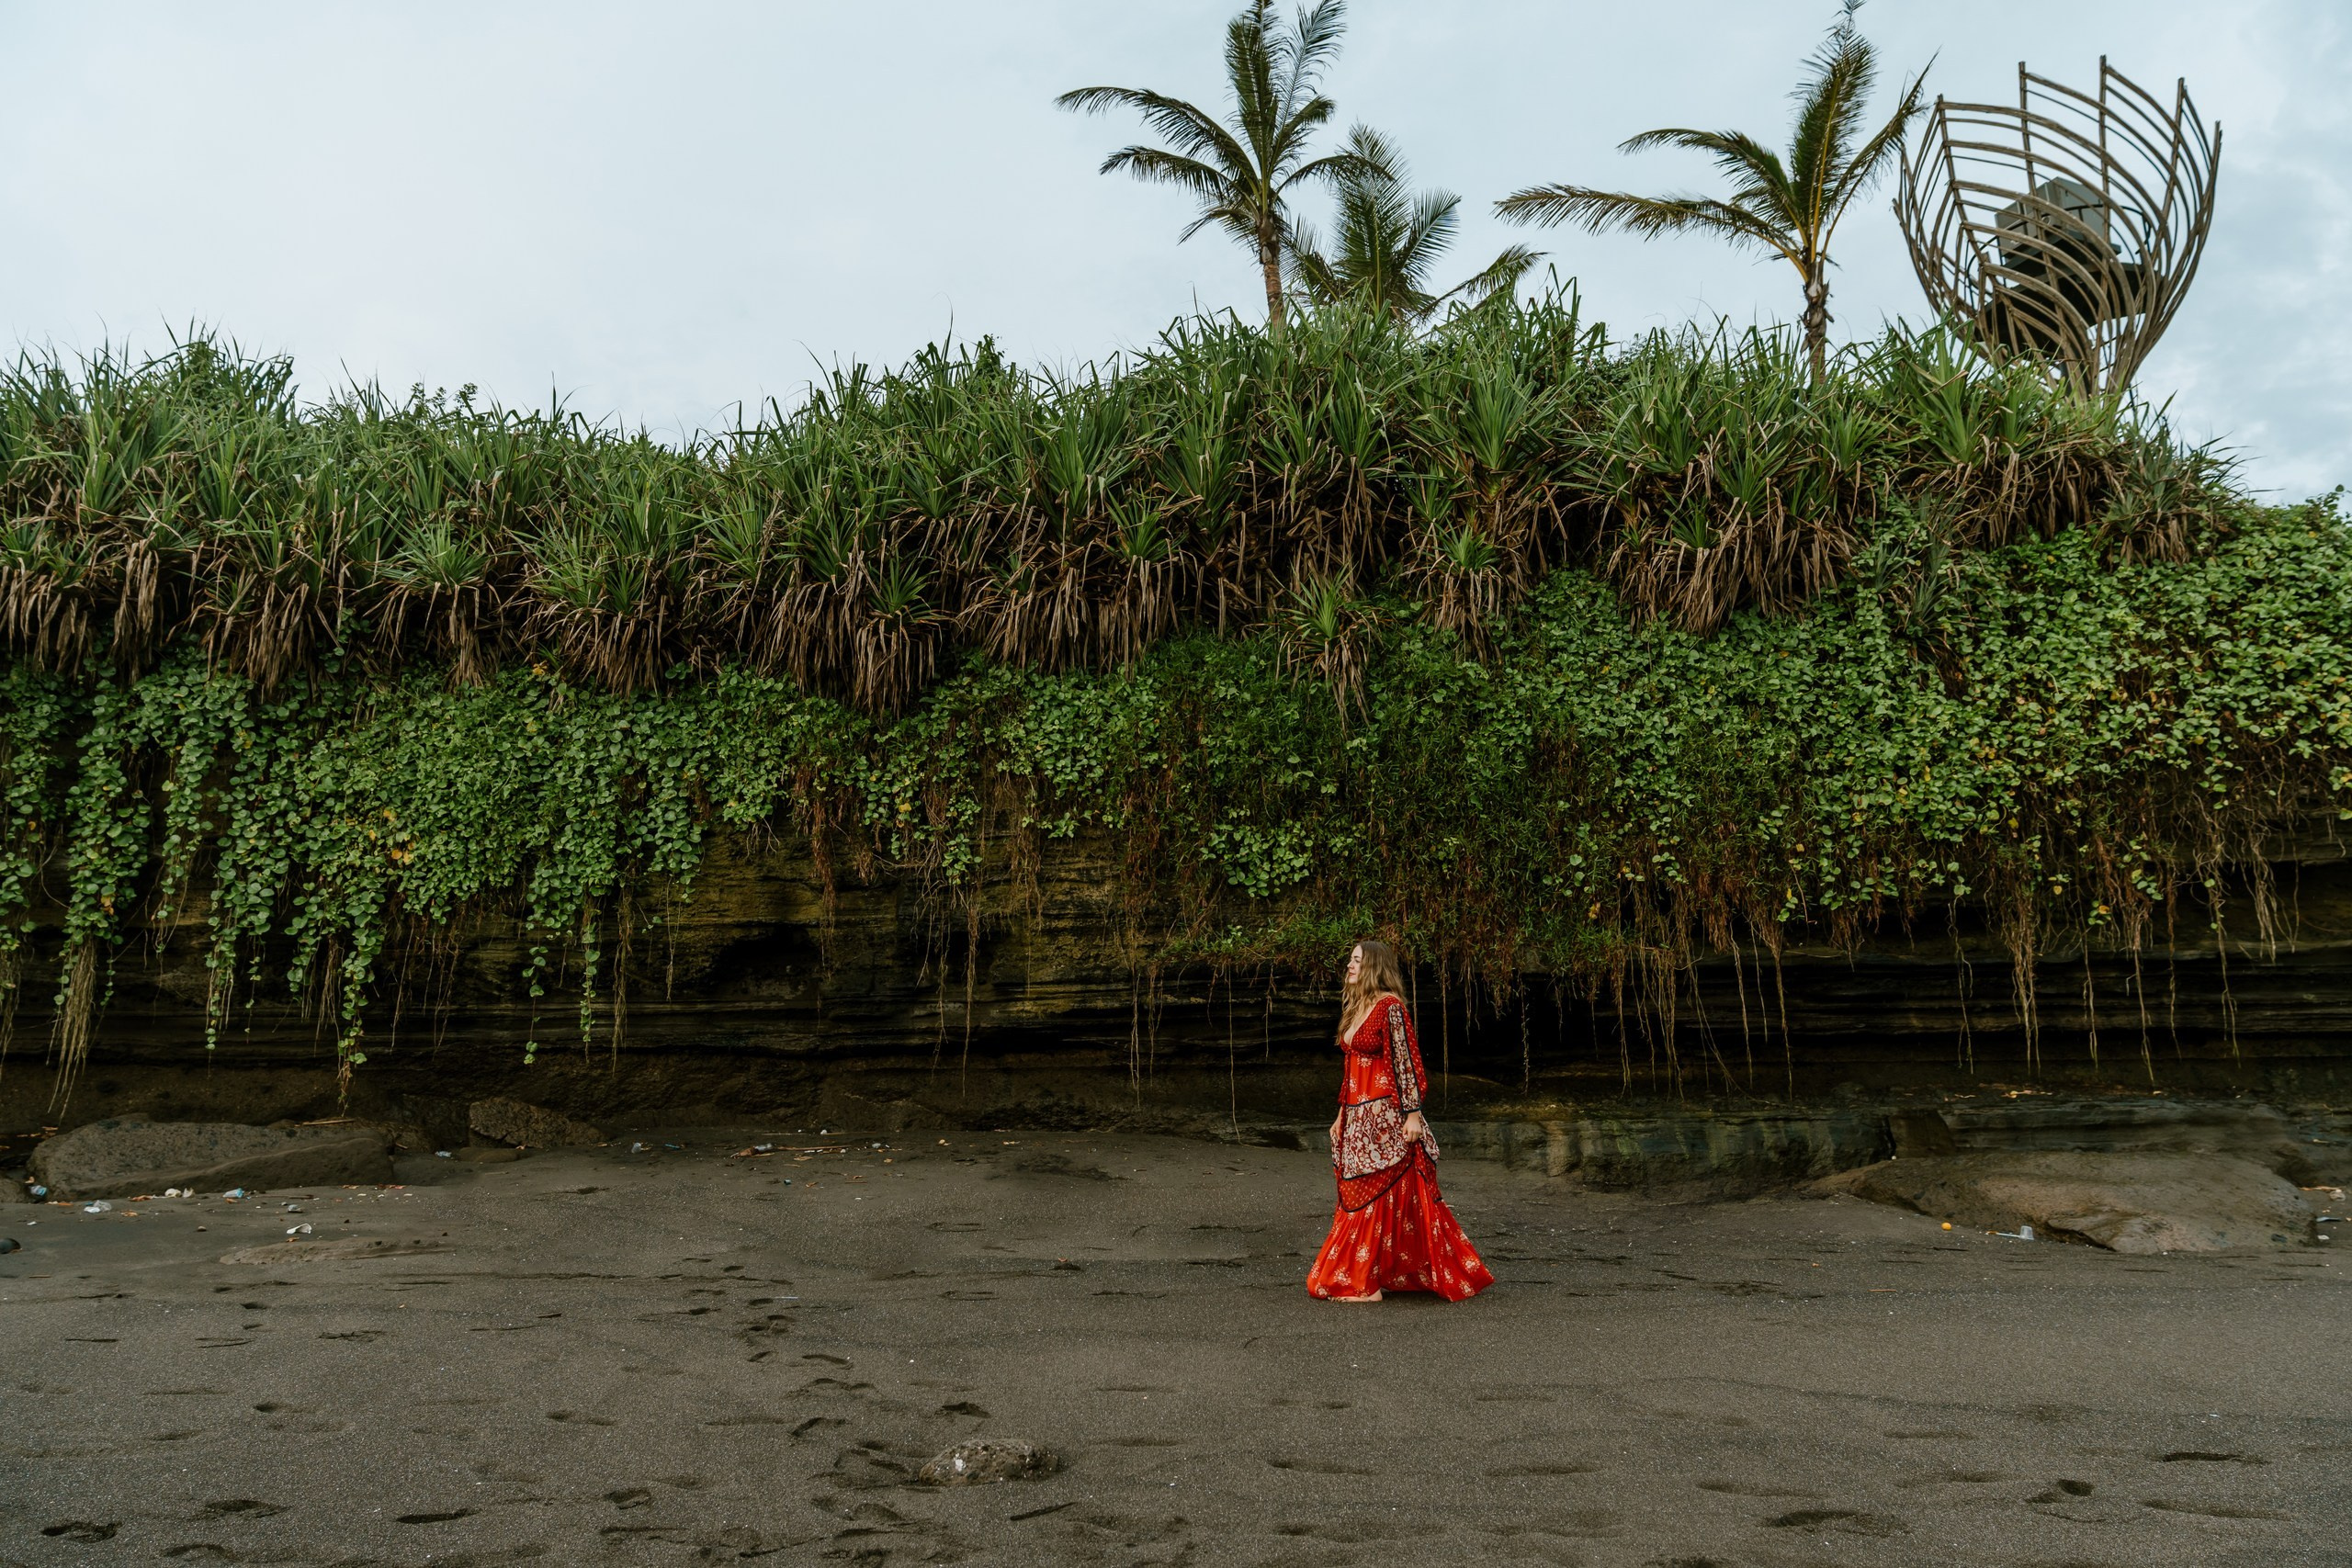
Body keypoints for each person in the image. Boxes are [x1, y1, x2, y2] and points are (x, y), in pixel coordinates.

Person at [1306, 939, 1494, 1303]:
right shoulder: (1358, 1006)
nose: (1349, 966)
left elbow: (1406, 1062)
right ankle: (1377, 1273)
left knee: (1376, 1192)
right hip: (1357, 1118)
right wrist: (1341, 1113)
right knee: (1359, 1192)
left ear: (1374, 966)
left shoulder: (1390, 1007)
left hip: (1385, 1118)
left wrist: (1413, 1115)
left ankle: (1367, 1284)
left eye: (1356, 960)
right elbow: (1350, 1068)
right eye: (1350, 960)